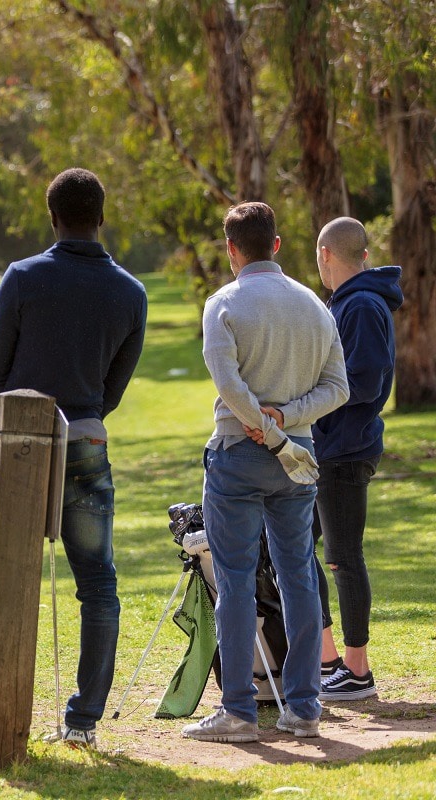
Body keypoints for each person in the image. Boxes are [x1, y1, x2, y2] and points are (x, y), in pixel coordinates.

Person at [0, 168, 147, 750]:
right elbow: (112, 390)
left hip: (23, 442)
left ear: (53, 217)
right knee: (98, 583)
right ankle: (83, 722)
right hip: (88, 444)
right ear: (101, 215)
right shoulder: (130, 292)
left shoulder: (22, 277)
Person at [183, 202, 348, 743]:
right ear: (276, 245)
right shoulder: (315, 307)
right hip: (296, 460)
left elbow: (228, 384)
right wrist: (286, 421)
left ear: (232, 249)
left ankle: (239, 712)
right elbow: (338, 389)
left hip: (238, 453)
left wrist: (261, 424)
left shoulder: (223, 303)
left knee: (233, 581)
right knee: (298, 575)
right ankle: (303, 706)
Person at [309, 217, 402, 701]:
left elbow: (364, 383)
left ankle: (356, 671)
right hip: (330, 446)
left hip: (345, 449)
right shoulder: (349, 301)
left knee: (343, 557)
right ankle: (327, 661)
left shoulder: (362, 305)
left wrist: (309, 396)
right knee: (301, 550)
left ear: (326, 254)